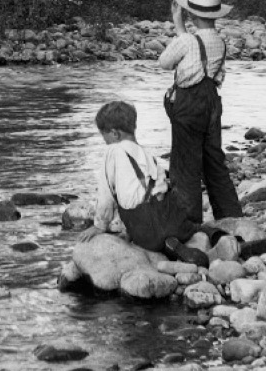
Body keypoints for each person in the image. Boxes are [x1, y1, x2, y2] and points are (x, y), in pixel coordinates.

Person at [74, 100, 208, 268]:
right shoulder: (147, 154)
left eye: (104, 137)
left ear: (115, 134)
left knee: (126, 200)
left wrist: (100, 226)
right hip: (170, 220)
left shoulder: (113, 151)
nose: (105, 142)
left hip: (145, 230)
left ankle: (157, 241)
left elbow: (106, 194)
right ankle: (173, 242)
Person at [158, 0, 244, 226]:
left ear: (192, 14)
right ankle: (231, 217)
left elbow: (164, 62)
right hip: (212, 104)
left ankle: (189, 222)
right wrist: (180, 27)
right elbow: (215, 72)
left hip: (188, 104)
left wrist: (179, 28)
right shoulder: (220, 41)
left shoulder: (187, 41)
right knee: (213, 161)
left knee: (185, 164)